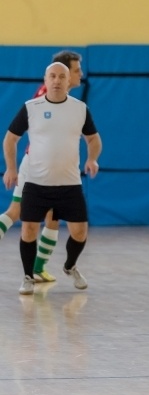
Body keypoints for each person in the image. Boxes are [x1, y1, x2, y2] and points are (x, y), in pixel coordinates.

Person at [3, 62, 102, 295]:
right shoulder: (31, 107)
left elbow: (94, 139)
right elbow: (10, 139)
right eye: (52, 76)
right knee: (28, 230)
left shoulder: (80, 109)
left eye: (61, 77)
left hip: (69, 185)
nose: (57, 81)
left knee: (80, 232)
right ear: (45, 80)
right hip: (37, 184)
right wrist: (11, 169)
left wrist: (93, 158)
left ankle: (70, 266)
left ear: (69, 82)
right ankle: (28, 276)